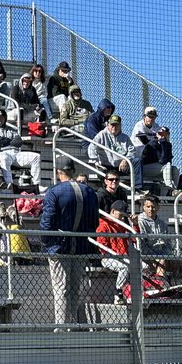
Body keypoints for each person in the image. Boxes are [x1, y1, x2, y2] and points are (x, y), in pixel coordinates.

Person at [40, 159, 100, 327]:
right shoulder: (89, 191)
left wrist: (46, 243)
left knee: (61, 288)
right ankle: (71, 323)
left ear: (59, 172)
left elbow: (47, 221)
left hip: (60, 246)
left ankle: (61, 326)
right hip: (81, 246)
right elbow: (95, 222)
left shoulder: (54, 192)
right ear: (73, 171)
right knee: (74, 288)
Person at [137, 194, 182, 284]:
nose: (151, 209)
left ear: (158, 207)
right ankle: (161, 287)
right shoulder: (140, 221)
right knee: (162, 261)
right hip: (147, 257)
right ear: (144, 207)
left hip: (163, 256)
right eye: (148, 207)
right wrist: (156, 257)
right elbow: (142, 244)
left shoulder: (163, 224)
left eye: (153, 206)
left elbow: (168, 244)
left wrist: (167, 256)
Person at [0, 110, 42, 191]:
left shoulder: (11, 129)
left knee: (36, 157)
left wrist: (4, 142)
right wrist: (10, 141)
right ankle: (10, 185)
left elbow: (19, 141)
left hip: (16, 153)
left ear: (5, 118)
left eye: (2, 118)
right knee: (4, 158)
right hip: (1, 153)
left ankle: (37, 185)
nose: (0, 120)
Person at [87, 114, 143, 192]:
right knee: (100, 171)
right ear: (108, 124)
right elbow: (91, 147)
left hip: (121, 166)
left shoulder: (125, 137)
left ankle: (138, 189)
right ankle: (106, 190)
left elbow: (132, 151)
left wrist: (125, 159)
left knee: (137, 162)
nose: (114, 127)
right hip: (106, 166)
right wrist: (96, 161)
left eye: (116, 125)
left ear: (120, 126)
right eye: (112, 125)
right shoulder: (102, 134)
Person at [97, 200, 134, 300]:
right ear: (112, 211)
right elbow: (102, 246)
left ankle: (140, 291)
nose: (122, 218)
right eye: (120, 215)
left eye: (124, 216)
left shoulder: (122, 224)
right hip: (108, 258)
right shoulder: (104, 224)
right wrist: (116, 255)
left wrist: (134, 224)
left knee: (144, 266)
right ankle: (119, 292)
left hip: (124, 257)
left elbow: (135, 239)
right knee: (125, 266)